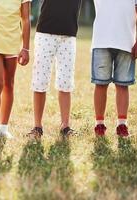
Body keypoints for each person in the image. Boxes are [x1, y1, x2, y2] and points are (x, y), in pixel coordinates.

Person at [91, 0, 137, 137]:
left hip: (126, 41)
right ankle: (99, 124)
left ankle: (122, 124)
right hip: (101, 40)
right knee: (100, 84)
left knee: (123, 85)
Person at [28, 0, 82, 140]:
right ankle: (37, 127)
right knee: (40, 82)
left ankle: (65, 126)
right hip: (45, 33)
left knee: (65, 82)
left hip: (69, 35)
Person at [0, 0, 31, 139]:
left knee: (9, 84)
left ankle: (4, 128)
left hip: (12, 42)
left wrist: (26, 48)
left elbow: (26, 19)